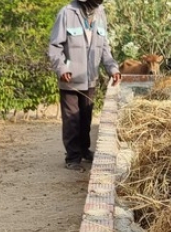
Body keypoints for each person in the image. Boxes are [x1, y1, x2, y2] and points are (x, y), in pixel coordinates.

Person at [48, 0, 121, 172]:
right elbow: (55, 46)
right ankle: (72, 158)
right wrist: (61, 68)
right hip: (70, 80)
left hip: (90, 79)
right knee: (72, 119)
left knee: (86, 117)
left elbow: (104, 47)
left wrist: (112, 68)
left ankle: (84, 150)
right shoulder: (67, 13)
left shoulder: (100, 13)